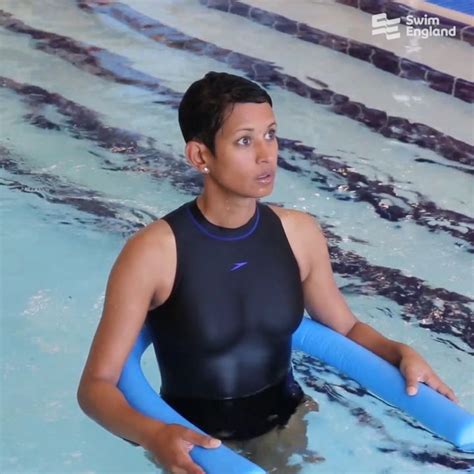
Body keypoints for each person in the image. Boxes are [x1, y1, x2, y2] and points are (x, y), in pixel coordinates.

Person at [77, 71, 457, 474]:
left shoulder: (299, 234)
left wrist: (400, 352)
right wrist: (154, 435)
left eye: (271, 135)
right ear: (200, 155)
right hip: (196, 448)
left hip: (288, 424)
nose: (267, 154)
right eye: (245, 140)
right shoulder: (154, 253)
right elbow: (96, 386)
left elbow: (344, 328)